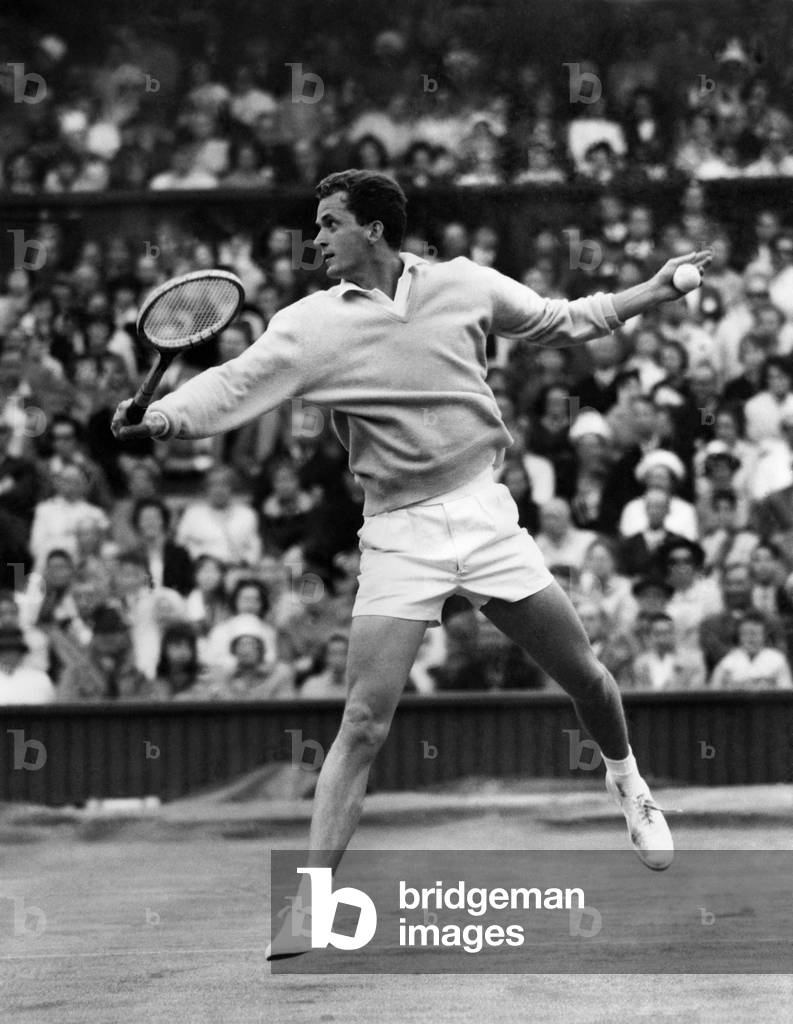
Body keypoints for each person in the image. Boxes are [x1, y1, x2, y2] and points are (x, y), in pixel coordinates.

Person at [112, 169, 712, 954]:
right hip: (397, 533)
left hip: (482, 513)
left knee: (587, 679)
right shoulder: (307, 326)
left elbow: (565, 319)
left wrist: (657, 290)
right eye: (316, 225)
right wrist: (161, 416)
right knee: (361, 722)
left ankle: (628, 783)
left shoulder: (463, 284)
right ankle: (312, 903)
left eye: (329, 224)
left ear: (374, 229)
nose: (316, 239)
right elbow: (231, 384)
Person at [710, 611, 793, 689]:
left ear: (764, 635)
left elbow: (786, 692)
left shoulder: (777, 659)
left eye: (754, 634)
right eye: (745, 634)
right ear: (739, 636)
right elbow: (714, 693)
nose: (750, 639)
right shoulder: (727, 662)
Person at [0, 626, 56, 704]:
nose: (9, 655)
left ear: (21, 652)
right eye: (4, 650)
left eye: (14, 650)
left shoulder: (40, 678)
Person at [300, 632, 349, 698]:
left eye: (343, 653)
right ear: (325, 657)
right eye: (333, 653)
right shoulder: (312, 686)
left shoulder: (357, 688)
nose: (338, 658)